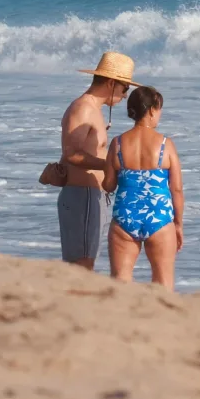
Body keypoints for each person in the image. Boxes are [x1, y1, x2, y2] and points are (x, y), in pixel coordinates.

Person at [58, 52, 140, 270]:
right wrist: (109, 165)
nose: (125, 96)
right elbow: (71, 154)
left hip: (88, 195)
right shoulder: (84, 109)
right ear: (112, 83)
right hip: (81, 195)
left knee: (84, 262)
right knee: (81, 264)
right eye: (125, 89)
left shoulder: (93, 110)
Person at [102, 86, 184, 288]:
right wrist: (178, 224)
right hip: (159, 217)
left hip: (125, 216)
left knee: (121, 282)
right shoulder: (165, 144)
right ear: (152, 110)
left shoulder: (118, 144)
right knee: (163, 283)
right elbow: (177, 190)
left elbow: (109, 185)